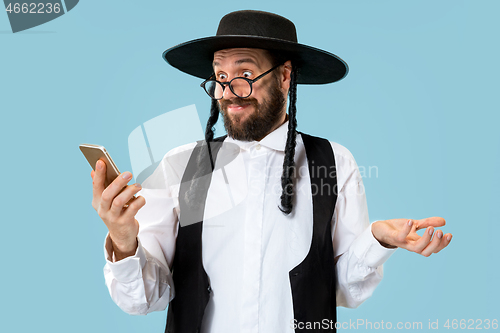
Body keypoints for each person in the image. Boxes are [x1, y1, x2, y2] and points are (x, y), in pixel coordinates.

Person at [90, 10, 452, 333]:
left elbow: (341, 291)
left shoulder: (334, 163)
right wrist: (124, 240)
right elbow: (144, 300)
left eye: (245, 73)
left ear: (284, 77)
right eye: (220, 75)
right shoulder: (180, 166)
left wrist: (378, 239)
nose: (230, 91)